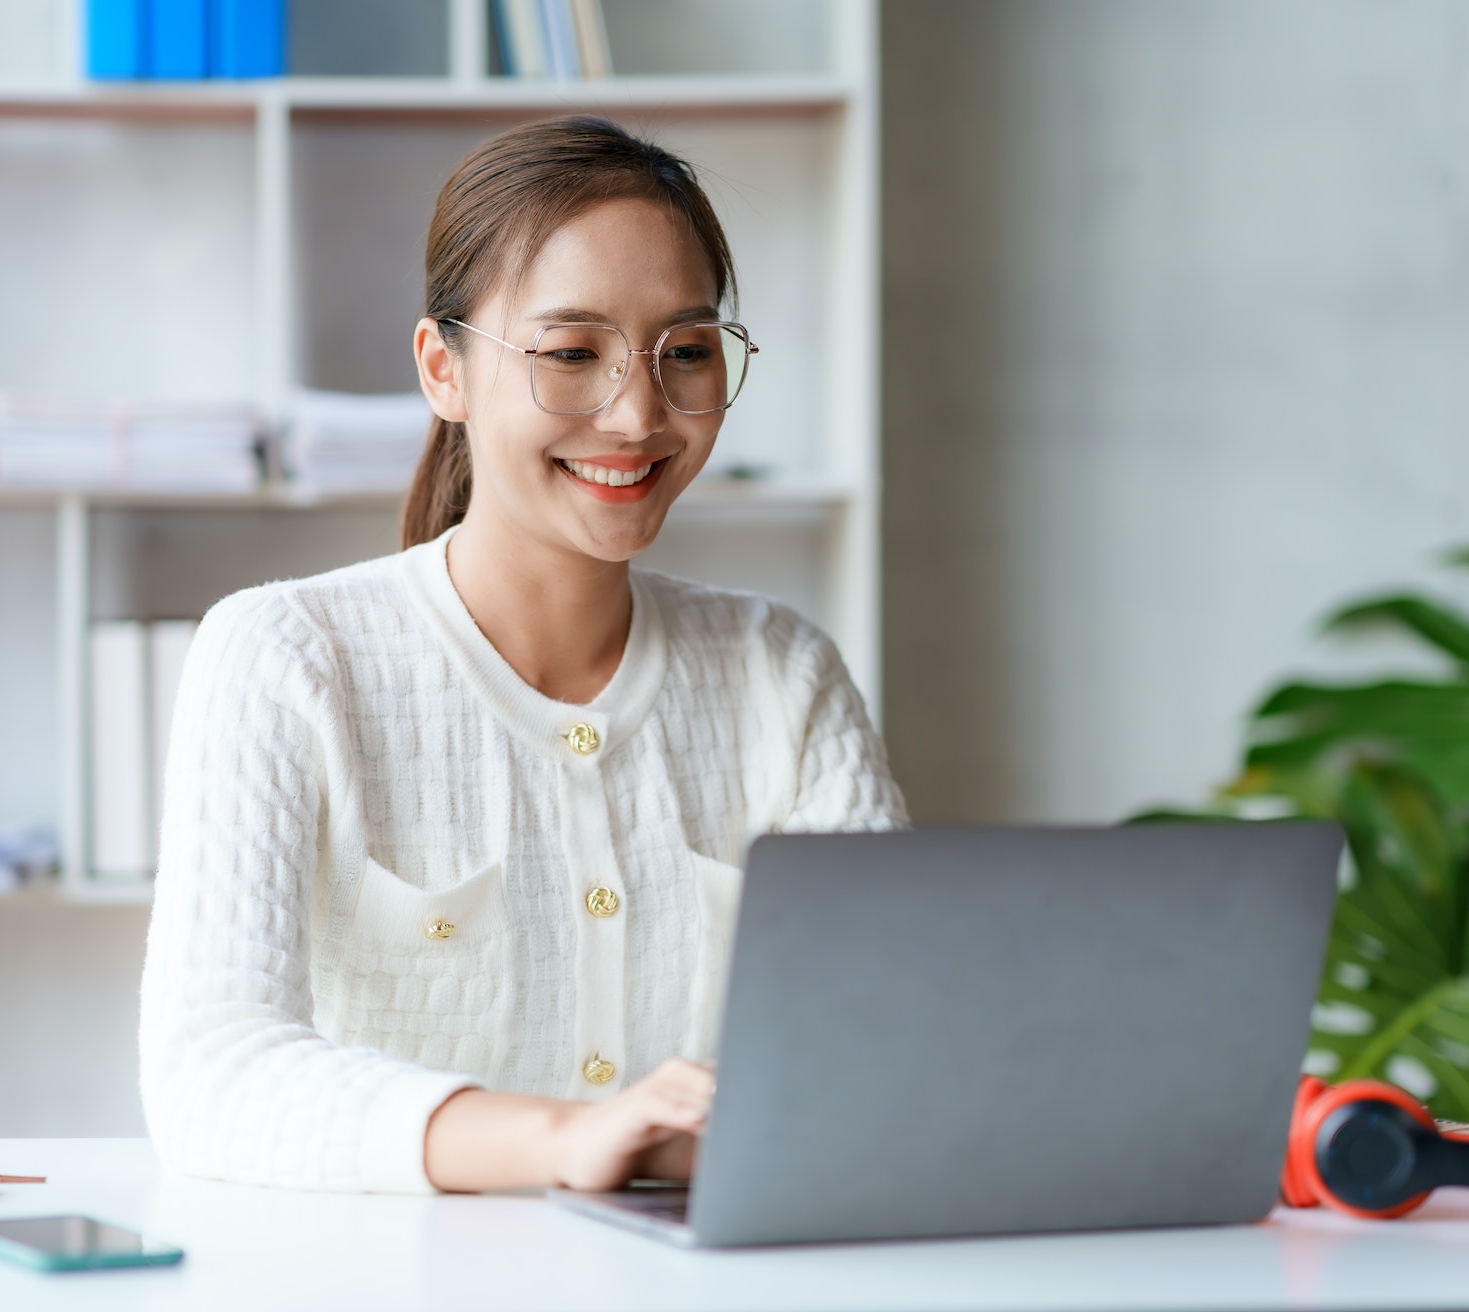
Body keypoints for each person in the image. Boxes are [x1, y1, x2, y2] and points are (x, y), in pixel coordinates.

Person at [139, 114, 905, 1195]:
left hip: (712, 1286)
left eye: (683, 351)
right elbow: (212, 1076)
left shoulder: (782, 672)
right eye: (569, 353)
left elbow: (890, 1041)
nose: (637, 412)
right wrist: (562, 1140)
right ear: (441, 370)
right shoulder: (284, 657)